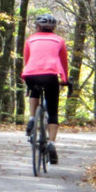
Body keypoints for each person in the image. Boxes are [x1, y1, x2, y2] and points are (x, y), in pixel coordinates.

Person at [21, 13, 69, 164]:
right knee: (53, 110)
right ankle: (51, 144)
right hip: (50, 75)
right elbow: (63, 62)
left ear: (37, 27)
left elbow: (27, 59)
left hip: (31, 73)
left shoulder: (30, 39)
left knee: (34, 91)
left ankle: (32, 118)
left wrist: (27, 75)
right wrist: (65, 79)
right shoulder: (59, 40)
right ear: (53, 28)